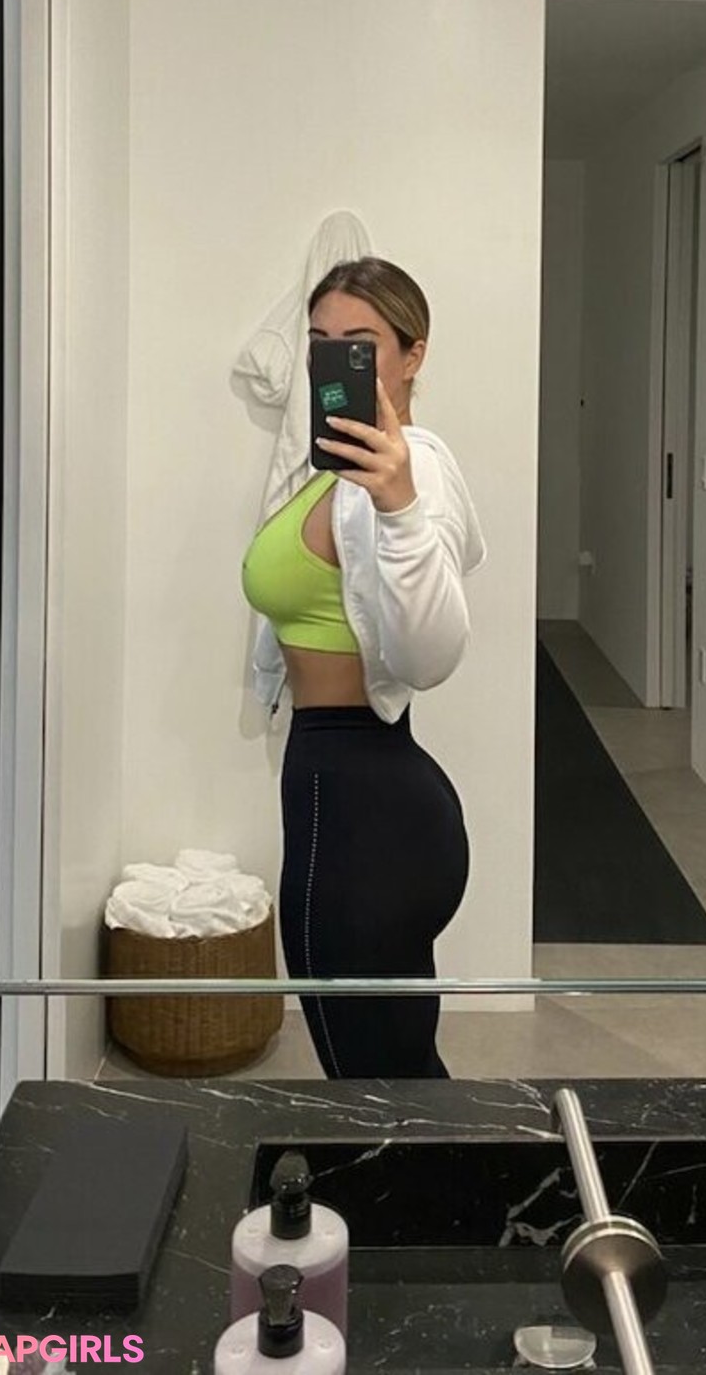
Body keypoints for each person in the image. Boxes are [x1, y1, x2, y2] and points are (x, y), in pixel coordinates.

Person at [242, 257, 486, 1078]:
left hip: (363, 810)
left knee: (372, 1087)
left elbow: (429, 654)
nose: (333, 359)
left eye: (359, 342)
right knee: (396, 1077)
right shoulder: (333, 470)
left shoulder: (411, 468)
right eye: (320, 341)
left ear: (413, 355)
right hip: (352, 792)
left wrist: (401, 507)